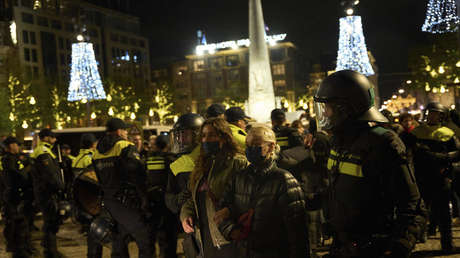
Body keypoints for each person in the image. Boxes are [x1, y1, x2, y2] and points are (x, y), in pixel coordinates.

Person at [313, 70, 423, 257]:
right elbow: (339, 188)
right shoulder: (338, 143)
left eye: (328, 107)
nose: (324, 113)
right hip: (343, 246)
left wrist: (399, 247)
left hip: (374, 248)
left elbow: (412, 205)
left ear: (344, 108)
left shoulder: (383, 143)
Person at [214, 125, 310, 258]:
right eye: (247, 145)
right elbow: (221, 210)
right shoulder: (239, 177)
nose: (249, 149)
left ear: (271, 147)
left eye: (255, 144)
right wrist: (231, 230)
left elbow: (297, 232)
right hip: (243, 251)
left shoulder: (284, 180)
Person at [180, 118, 249, 258]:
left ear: (224, 137)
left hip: (228, 236)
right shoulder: (202, 165)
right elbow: (194, 198)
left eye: (211, 135)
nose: (206, 140)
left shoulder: (237, 163)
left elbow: (249, 197)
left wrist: (230, 210)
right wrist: (185, 215)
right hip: (206, 237)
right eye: (204, 135)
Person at [92, 118, 153, 257]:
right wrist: (144, 199)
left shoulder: (97, 152)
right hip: (128, 203)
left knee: (118, 243)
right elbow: (138, 175)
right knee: (145, 239)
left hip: (109, 203)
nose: (126, 133)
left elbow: (99, 178)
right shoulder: (124, 146)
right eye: (125, 130)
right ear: (119, 131)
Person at [411, 102, 460, 252]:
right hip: (422, 177)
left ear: (441, 116)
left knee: (444, 213)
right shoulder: (416, 132)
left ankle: (447, 244)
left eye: (435, 113)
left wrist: (442, 158)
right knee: (419, 212)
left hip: (441, 177)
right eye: (430, 112)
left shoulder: (448, 134)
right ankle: (413, 240)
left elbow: (457, 154)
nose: (432, 115)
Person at [30, 128, 66, 258]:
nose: (55, 140)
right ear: (46, 138)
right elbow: (50, 174)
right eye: (53, 137)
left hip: (43, 191)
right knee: (51, 221)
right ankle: (51, 252)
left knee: (49, 220)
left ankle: (48, 247)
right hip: (47, 192)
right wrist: (60, 187)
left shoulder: (41, 151)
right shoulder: (43, 152)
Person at [145, 134, 178, 258]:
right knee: (169, 233)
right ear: (167, 145)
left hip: (152, 201)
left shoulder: (148, 159)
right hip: (166, 201)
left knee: (155, 233)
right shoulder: (170, 159)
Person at [72, 133, 102, 258]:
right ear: (92, 144)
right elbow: (95, 181)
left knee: (90, 232)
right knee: (96, 234)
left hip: (80, 200)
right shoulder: (91, 158)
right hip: (92, 201)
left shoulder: (76, 158)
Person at [1, 136, 33, 258]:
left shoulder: (14, 158)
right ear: (10, 146)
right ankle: (18, 250)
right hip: (13, 195)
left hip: (17, 195)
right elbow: (15, 176)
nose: (18, 147)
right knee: (16, 223)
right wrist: (28, 169)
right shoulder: (8, 160)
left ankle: (23, 247)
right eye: (16, 144)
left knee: (21, 222)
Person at [166, 113, 204, 214]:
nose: (181, 140)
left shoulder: (209, 158)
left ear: (198, 135)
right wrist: (178, 199)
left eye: (185, 135)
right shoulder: (175, 163)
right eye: (178, 135)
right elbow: (169, 195)